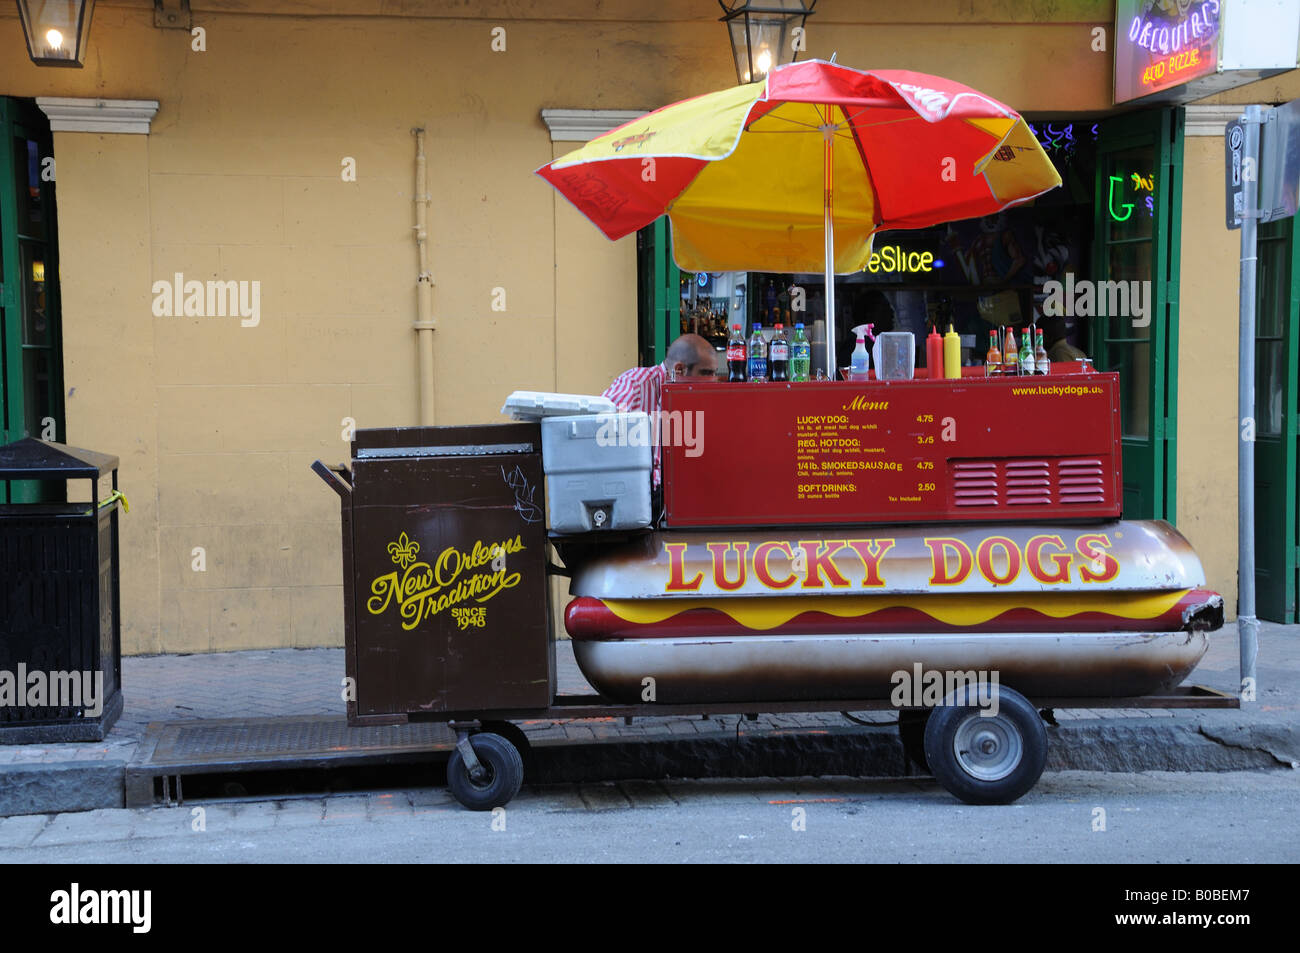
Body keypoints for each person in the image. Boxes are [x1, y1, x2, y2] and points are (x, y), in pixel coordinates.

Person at [603, 333, 717, 493]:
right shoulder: (635, 384)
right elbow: (599, 435)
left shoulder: (696, 397)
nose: (712, 381)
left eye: (714, 373)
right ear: (679, 370)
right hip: (636, 496)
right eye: (706, 373)